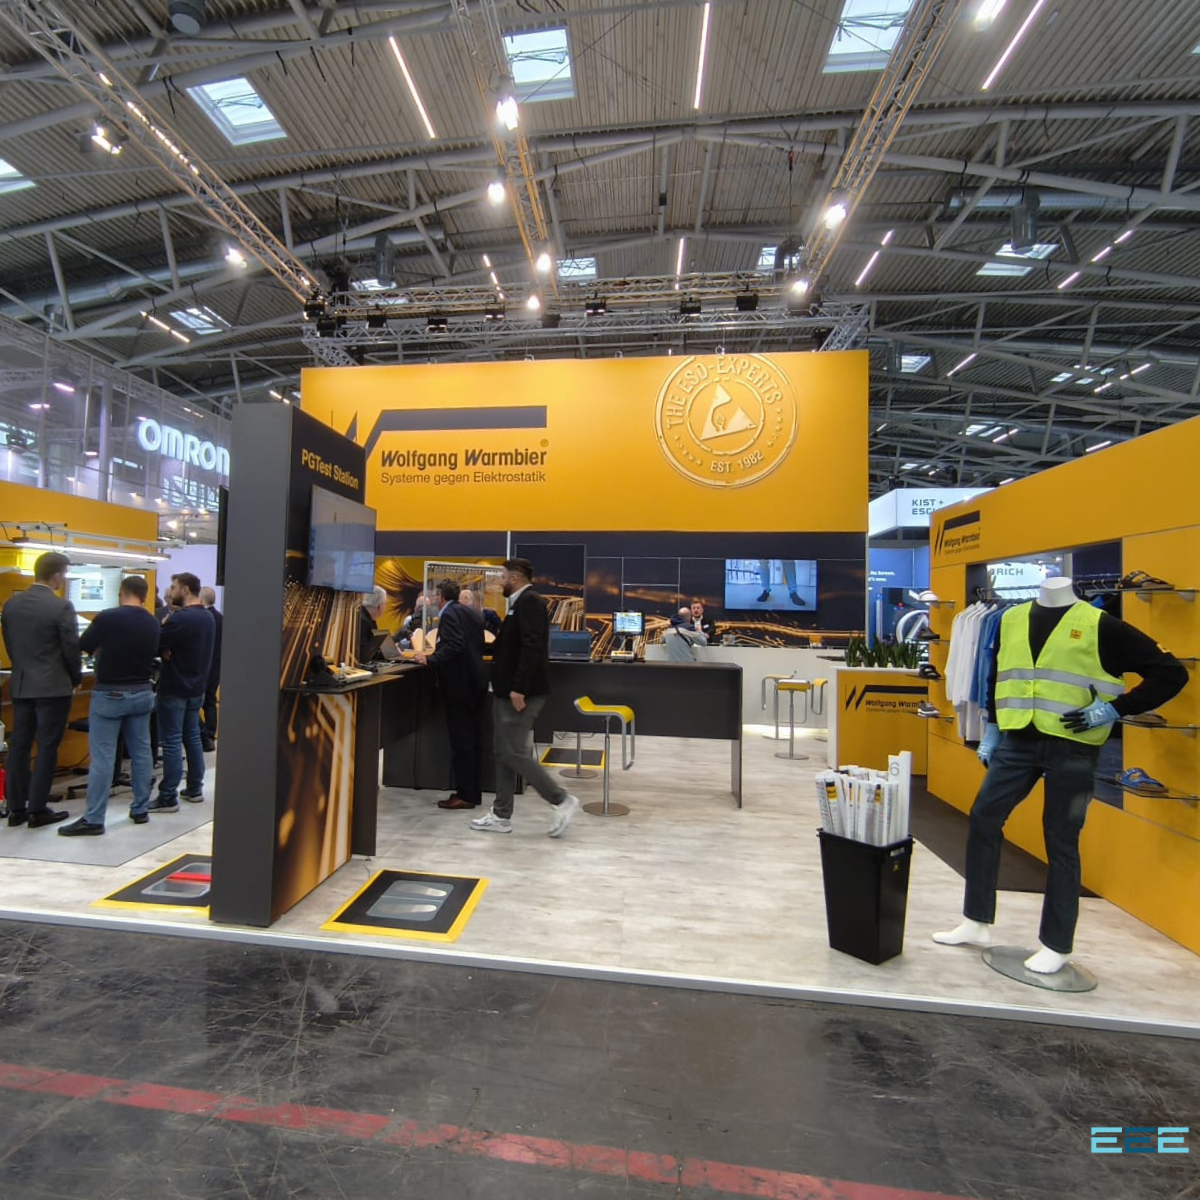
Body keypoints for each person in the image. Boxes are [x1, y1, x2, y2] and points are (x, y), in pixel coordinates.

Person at [934, 576, 1187, 973]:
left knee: (1061, 840)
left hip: (1073, 746)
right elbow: (997, 676)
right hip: (1018, 740)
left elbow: (1171, 673)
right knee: (984, 817)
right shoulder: (1011, 619)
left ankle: (1056, 943)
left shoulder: (1100, 624)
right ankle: (976, 919)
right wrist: (993, 728)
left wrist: (1116, 709)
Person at [471, 558, 579, 836]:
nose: (501, 582)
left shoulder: (529, 601)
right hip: (506, 691)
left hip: (519, 693)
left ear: (515, 578)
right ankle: (501, 815)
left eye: (503, 577)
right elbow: (514, 646)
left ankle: (561, 799)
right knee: (503, 753)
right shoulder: (519, 604)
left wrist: (519, 688)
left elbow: (532, 647)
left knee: (513, 752)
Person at [58, 576, 161, 836]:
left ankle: (94, 819)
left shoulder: (108, 617)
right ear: (144, 595)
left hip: (110, 694)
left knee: (103, 758)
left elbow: (84, 645)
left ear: (121, 592)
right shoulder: (152, 622)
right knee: (141, 753)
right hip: (142, 693)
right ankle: (140, 809)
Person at [0, 552, 81, 828]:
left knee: (19, 745)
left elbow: (10, 644)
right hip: (53, 687)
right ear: (57, 575)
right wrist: (75, 677)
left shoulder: (11, 605)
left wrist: (22, 668)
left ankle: (16, 809)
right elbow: (71, 648)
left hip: (22, 684)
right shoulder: (61, 607)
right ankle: (37, 809)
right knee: (47, 746)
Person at [415, 579, 488, 810]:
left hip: (459, 686)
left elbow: (454, 645)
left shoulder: (448, 614)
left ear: (440, 597)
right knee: (472, 741)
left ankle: (465, 795)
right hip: (476, 682)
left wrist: (431, 659)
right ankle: (472, 792)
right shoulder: (472, 612)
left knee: (462, 741)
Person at [150, 572, 215, 813]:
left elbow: (156, 644)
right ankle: (194, 788)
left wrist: (164, 634)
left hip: (175, 687)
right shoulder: (207, 617)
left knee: (171, 743)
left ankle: (168, 796)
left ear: (185, 590)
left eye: (174, 586)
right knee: (192, 737)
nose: (170, 591)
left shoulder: (181, 619)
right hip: (196, 687)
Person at [199, 586, 222, 752]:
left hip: (203, 665)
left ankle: (202, 734)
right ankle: (210, 733)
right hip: (217, 665)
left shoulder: (203, 618)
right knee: (210, 701)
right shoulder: (221, 618)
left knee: (194, 703)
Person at [359, 585, 387, 661]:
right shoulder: (363, 622)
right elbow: (363, 654)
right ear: (380, 606)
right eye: (385, 604)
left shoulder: (365, 617)